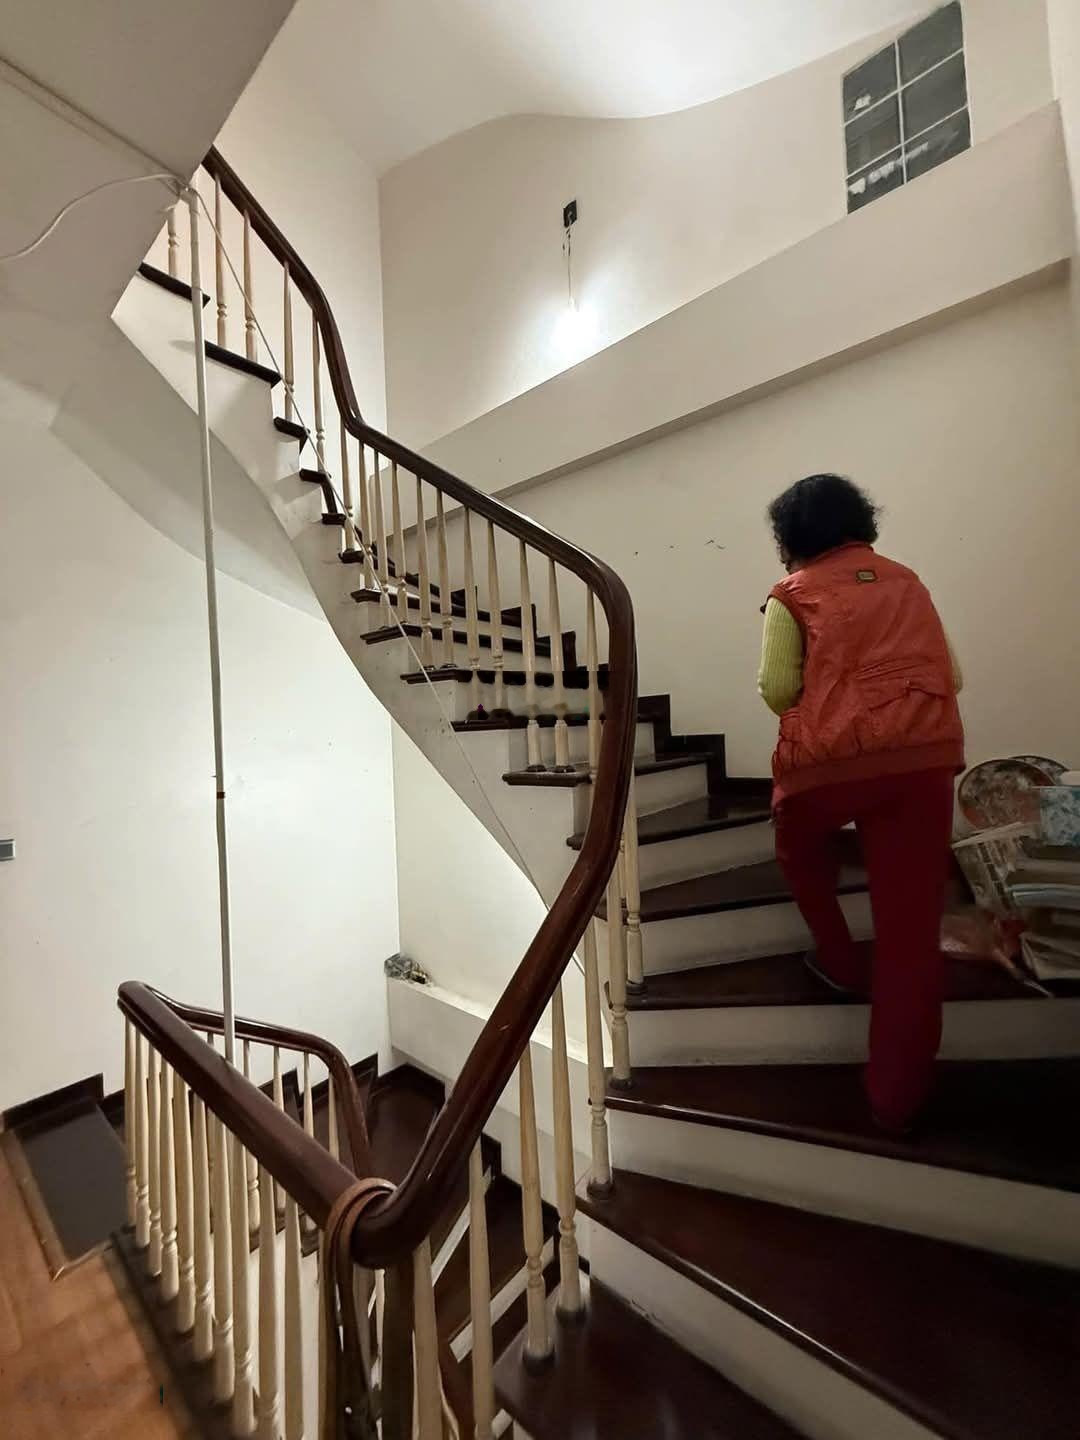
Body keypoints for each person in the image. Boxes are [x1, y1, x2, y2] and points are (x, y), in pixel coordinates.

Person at [758, 474, 964, 1133]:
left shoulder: (792, 594)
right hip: (922, 762)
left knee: (796, 843)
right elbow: (953, 677)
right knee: (910, 937)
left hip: (831, 767)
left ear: (790, 536)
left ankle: (841, 960)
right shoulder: (907, 582)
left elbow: (776, 690)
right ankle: (896, 1099)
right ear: (860, 522)